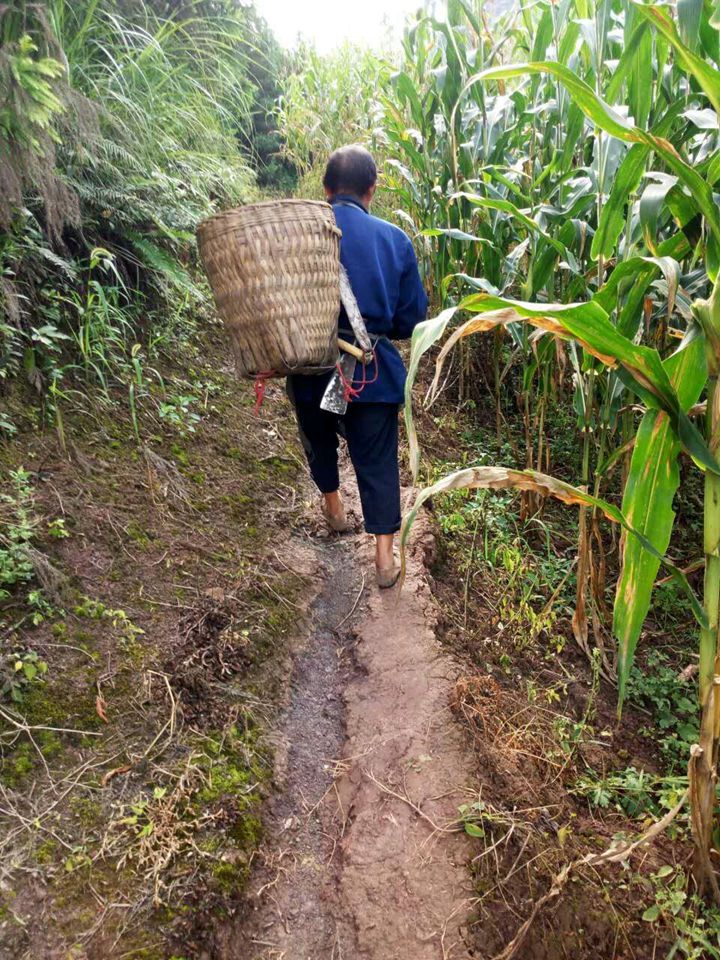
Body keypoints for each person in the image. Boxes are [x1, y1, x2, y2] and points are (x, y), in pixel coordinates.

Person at [287, 144, 428, 588]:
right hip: (369, 371)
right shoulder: (394, 240)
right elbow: (412, 320)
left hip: (308, 362)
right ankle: (384, 559)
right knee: (377, 458)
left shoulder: (299, 234)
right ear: (372, 188)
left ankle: (333, 508)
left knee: (317, 436)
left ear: (326, 189)